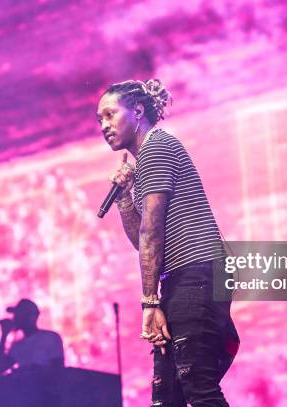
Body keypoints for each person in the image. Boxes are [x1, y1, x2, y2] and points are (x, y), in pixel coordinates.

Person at [96, 79, 239, 406]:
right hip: (182, 278)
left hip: (196, 275)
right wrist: (124, 198)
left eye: (109, 115)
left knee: (199, 388)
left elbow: (152, 233)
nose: (104, 125)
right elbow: (143, 241)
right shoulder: (145, 159)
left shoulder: (157, 147)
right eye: (99, 120)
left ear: (137, 110)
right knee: (167, 398)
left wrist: (149, 303)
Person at [0, 298, 64, 374]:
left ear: (31, 317)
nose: (14, 318)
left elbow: (58, 368)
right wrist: (4, 335)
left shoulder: (50, 338)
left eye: (19, 315)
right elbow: (0, 368)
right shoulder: (18, 346)